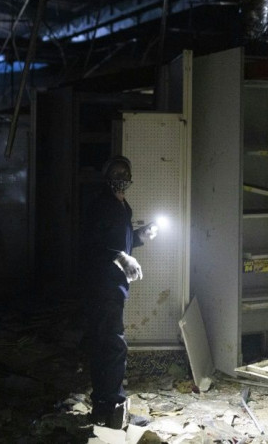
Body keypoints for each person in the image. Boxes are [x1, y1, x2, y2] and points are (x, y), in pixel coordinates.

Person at [80, 155, 158, 429]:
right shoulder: (100, 205)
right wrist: (119, 258)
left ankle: (105, 406)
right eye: (115, 172)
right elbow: (92, 245)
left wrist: (140, 237)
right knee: (111, 345)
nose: (121, 176)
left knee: (108, 345)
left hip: (115, 287)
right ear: (106, 176)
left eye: (125, 172)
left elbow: (119, 241)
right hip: (102, 286)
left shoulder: (123, 207)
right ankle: (110, 407)